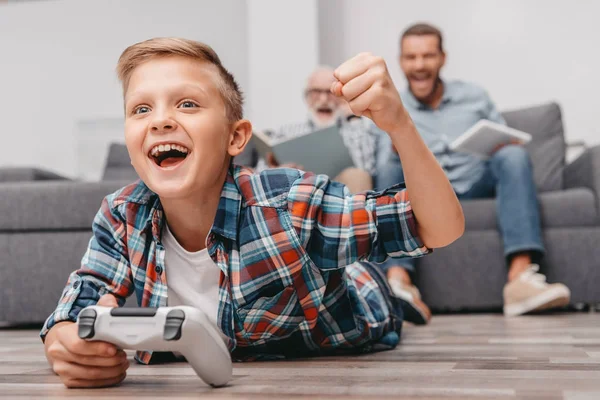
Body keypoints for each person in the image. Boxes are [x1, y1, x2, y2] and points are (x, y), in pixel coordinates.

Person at [40, 37, 464, 388]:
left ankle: (403, 292)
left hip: (358, 302)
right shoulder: (121, 215)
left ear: (236, 137)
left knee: (374, 284)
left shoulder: (292, 204)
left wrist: (400, 125)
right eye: (141, 109)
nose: (160, 121)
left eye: (187, 104)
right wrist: (65, 339)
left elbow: (438, 228)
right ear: (132, 147)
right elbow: (82, 301)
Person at [377, 23, 570, 320]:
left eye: (428, 56)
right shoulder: (393, 106)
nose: (419, 65)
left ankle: (520, 282)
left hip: (475, 181)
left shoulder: (475, 96)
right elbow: (382, 169)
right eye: (411, 57)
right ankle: (399, 282)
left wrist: (502, 143)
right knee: (389, 165)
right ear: (401, 61)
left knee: (513, 155)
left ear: (442, 58)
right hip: (425, 193)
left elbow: (501, 135)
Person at [248, 66, 381, 194]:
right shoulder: (286, 132)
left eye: (330, 92)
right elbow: (259, 175)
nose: (323, 99)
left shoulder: (353, 129)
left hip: (339, 196)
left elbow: (367, 170)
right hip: (298, 194)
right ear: (306, 97)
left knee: (357, 176)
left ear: (341, 97)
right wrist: (277, 172)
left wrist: (353, 116)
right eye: (316, 92)